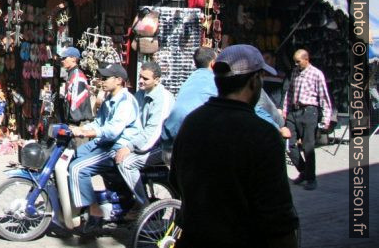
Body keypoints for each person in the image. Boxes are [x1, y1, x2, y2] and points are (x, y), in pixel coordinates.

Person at [169, 44, 298, 248]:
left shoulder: (192, 123)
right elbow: (278, 217)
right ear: (254, 81)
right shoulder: (263, 135)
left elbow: (176, 181)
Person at [161, 46, 287, 163]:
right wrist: (277, 128)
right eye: (261, 76)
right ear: (254, 82)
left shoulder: (192, 85)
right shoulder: (260, 133)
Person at [68, 63, 139, 229]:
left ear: (119, 80)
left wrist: (86, 133)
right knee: (75, 155)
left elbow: (113, 131)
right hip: (104, 143)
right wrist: (79, 129)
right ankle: (84, 200)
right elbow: (99, 123)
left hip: (116, 146)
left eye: (106, 78)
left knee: (77, 168)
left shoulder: (125, 101)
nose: (102, 81)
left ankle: (95, 212)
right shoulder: (108, 99)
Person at [114, 61, 174, 218]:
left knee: (127, 163)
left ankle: (143, 206)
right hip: (145, 142)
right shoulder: (140, 94)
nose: (140, 81)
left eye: (145, 79)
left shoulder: (163, 98)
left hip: (162, 145)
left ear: (157, 80)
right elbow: (132, 121)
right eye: (140, 77)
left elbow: (152, 133)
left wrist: (129, 147)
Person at [282, 48, 333, 191]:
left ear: (306, 59)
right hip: (294, 111)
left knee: (308, 147)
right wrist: (286, 110)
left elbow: (324, 98)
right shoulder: (294, 72)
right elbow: (290, 92)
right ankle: (304, 171)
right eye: (295, 62)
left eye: (298, 62)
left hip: (309, 111)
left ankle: (311, 179)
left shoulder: (316, 74)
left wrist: (325, 120)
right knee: (289, 144)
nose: (296, 65)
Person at [60, 47, 93, 124]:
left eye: (65, 58)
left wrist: (73, 123)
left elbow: (77, 102)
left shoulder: (77, 76)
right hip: (76, 121)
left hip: (79, 123)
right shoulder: (72, 74)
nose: (62, 60)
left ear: (73, 59)